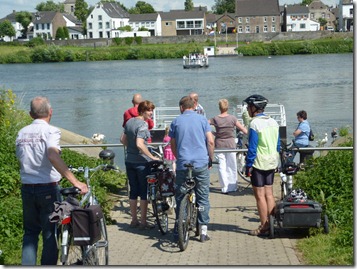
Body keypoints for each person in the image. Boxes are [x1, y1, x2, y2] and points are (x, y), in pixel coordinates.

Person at [15, 96, 88, 265]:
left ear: (30, 114)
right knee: (50, 233)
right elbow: (52, 154)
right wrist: (75, 182)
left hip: (27, 187)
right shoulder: (51, 131)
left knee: (30, 233)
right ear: (50, 112)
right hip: (48, 188)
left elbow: (21, 158)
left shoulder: (21, 132)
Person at [169, 96, 215, 242]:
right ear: (194, 106)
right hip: (200, 163)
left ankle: (179, 226)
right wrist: (210, 159)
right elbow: (211, 141)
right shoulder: (202, 120)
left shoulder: (175, 121)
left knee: (180, 195)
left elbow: (172, 143)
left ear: (181, 107)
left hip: (183, 163)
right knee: (202, 197)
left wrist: (179, 157)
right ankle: (203, 231)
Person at [120, 100, 160, 229]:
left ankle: (133, 220)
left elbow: (122, 140)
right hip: (141, 163)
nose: (151, 113)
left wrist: (131, 149)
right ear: (142, 111)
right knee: (143, 192)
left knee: (133, 191)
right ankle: (143, 222)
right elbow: (140, 144)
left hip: (129, 161)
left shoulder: (129, 122)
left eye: (152, 111)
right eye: (149, 111)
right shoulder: (143, 125)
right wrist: (151, 156)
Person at [243, 94, 280, 236]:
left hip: (259, 162)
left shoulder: (254, 124)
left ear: (254, 108)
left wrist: (248, 165)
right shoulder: (273, 122)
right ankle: (272, 225)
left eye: (248, 106)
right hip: (272, 160)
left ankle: (264, 226)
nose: (247, 109)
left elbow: (252, 147)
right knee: (269, 194)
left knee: (260, 195)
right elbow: (277, 145)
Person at [208, 99, 248, 194]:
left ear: (219, 107)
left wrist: (213, 132)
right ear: (227, 107)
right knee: (232, 165)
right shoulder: (232, 118)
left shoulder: (215, 119)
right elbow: (243, 129)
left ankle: (224, 187)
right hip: (230, 143)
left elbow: (205, 123)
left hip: (219, 143)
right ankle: (232, 186)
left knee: (222, 166)